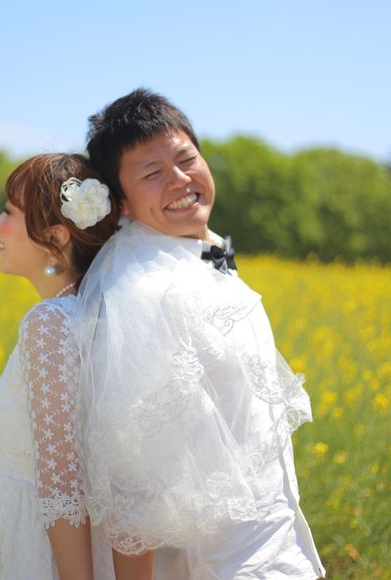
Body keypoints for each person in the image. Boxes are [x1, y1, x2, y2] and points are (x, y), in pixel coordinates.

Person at [75, 89, 327, 579]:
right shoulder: (142, 292)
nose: (180, 179)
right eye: (152, 173)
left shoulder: (201, 249)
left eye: (187, 159)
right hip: (222, 563)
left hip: (274, 540)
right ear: (120, 202)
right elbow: (134, 480)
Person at [0, 153, 120, 580]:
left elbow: (62, 486)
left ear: (55, 237)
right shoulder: (88, 315)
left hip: (34, 547)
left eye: (9, 212)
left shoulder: (50, 323)